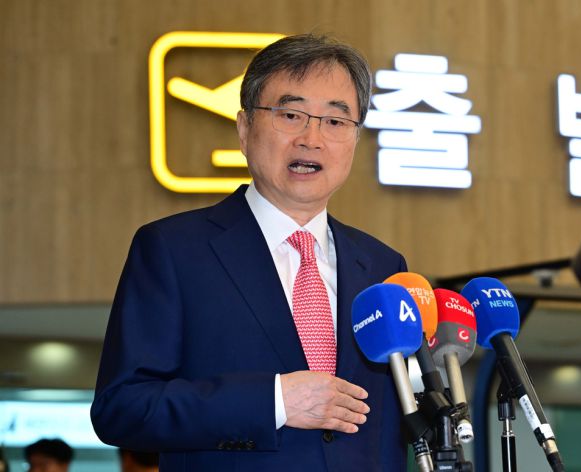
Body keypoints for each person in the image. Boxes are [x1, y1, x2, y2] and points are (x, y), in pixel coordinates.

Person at [91, 34, 408, 471]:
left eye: (336, 121)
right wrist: (273, 401)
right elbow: (123, 408)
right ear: (244, 129)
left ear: (355, 138)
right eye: (291, 115)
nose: (312, 138)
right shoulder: (174, 250)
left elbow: (388, 433)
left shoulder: (382, 266)